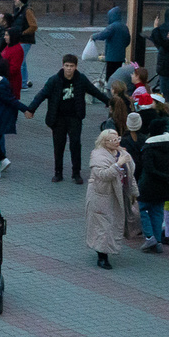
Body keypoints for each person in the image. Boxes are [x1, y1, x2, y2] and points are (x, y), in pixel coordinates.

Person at [24, 55, 107, 183]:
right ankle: (58, 172)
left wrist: (110, 102)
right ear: (62, 66)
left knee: (75, 145)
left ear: (76, 67)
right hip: (58, 119)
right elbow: (42, 94)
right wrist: (31, 109)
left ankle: (76, 173)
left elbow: (94, 91)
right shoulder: (54, 80)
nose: (69, 69)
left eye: (71, 66)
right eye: (67, 66)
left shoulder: (81, 79)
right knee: (58, 146)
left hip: (75, 117)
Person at [83, 128, 136, 269]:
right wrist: (118, 164)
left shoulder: (122, 152)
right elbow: (103, 174)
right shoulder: (97, 155)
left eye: (117, 138)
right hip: (102, 196)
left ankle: (107, 249)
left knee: (113, 224)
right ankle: (102, 257)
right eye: (112, 140)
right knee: (103, 226)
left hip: (119, 195)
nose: (116, 142)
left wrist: (134, 192)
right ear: (104, 142)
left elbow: (130, 174)